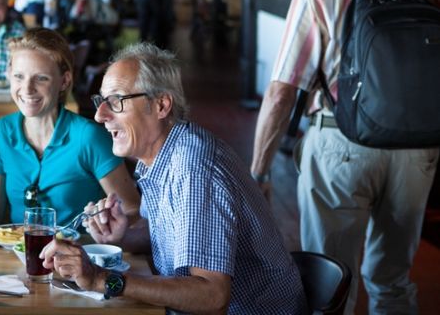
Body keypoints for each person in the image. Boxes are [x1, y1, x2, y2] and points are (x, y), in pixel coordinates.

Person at [250, 0, 440, 314]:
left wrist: (260, 170)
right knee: (393, 278)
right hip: (416, 149)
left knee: (331, 279)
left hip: (341, 144)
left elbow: (283, 90)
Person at [42, 42, 305, 314]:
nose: (99, 115)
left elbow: (212, 296)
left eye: (116, 101)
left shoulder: (194, 170)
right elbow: (179, 237)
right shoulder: (161, 157)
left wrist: (100, 279)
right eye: (101, 101)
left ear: (161, 105)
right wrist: (122, 238)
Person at [0, 28, 139, 228]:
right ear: (9, 75)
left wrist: (106, 226)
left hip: (80, 254)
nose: (27, 89)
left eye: (41, 78)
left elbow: (132, 210)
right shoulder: (0, 132)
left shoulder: (88, 137)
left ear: (64, 81)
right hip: (16, 255)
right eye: (19, 76)